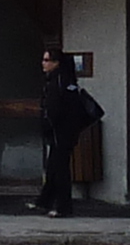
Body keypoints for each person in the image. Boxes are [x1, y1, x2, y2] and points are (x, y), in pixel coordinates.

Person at [35, 47, 104, 216]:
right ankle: (44, 201)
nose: (43, 64)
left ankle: (63, 207)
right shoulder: (68, 80)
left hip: (60, 132)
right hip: (68, 131)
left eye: (46, 60)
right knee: (53, 167)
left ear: (56, 63)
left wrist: (47, 126)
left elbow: (53, 109)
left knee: (59, 170)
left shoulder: (57, 82)